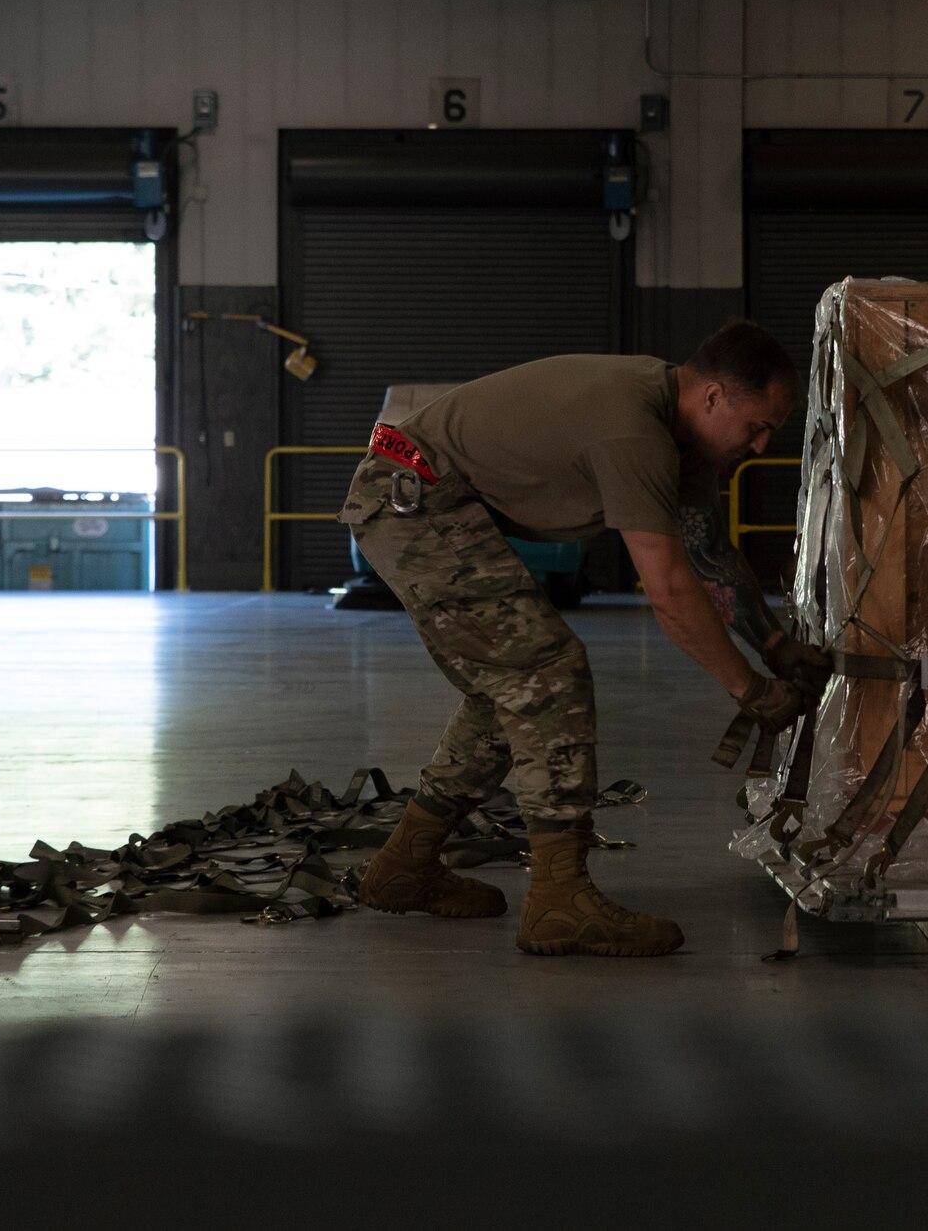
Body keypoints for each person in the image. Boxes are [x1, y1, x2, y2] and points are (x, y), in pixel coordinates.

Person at [339, 319, 831, 957]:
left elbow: (708, 554)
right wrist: (747, 688)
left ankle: (405, 865)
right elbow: (671, 592)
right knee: (547, 670)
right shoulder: (634, 430)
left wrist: (771, 642)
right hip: (411, 496)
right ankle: (559, 899)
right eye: (755, 426)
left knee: (508, 690)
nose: (761, 446)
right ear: (712, 397)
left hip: (438, 498)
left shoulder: (682, 441)